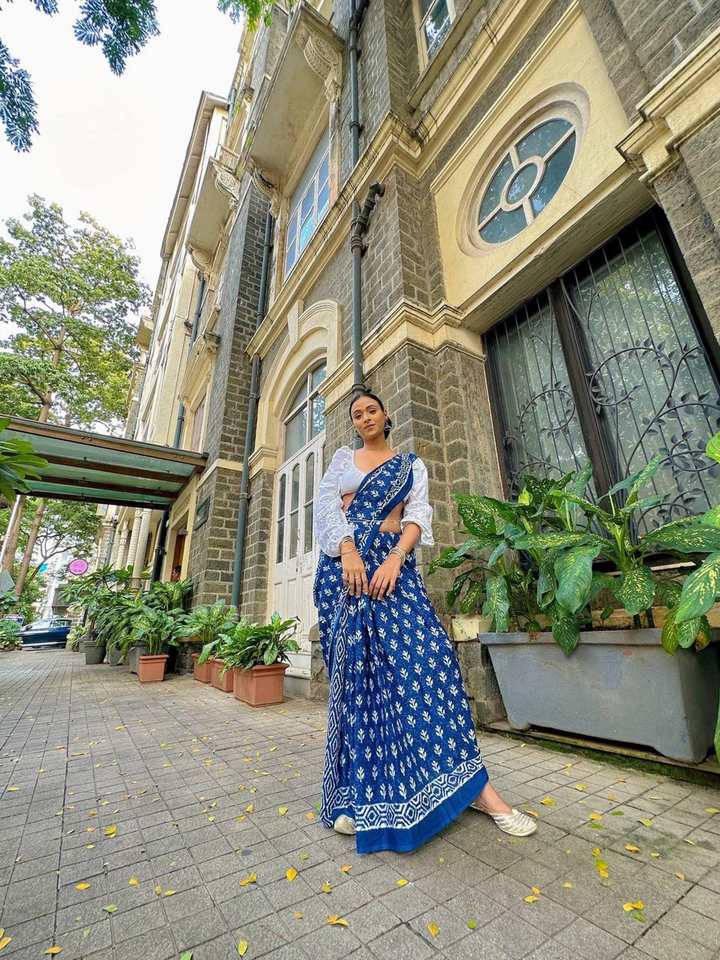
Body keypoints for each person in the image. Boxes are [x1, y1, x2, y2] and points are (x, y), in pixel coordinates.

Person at [313, 390, 537, 854]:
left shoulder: (411, 465)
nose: (364, 417)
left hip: (394, 573)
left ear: (385, 415)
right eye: (357, 414)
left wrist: (395, 557)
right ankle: (357, 798)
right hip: (347, 574)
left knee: (430, 667)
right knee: (361, 680)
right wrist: (352, 551)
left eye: (371, 409)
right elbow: (325, 511)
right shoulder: (342, 460)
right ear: (353, 424)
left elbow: (417, 515)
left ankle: (475, 790)